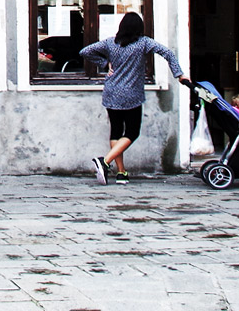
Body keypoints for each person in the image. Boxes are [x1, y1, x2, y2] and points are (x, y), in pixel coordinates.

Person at [80, 12, 192, 185]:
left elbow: (85, 51)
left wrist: (104, 64)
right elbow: (167, 53)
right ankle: (106, 161)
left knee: (116, 131)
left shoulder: (111, 43)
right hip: (131, 94)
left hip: (111, 91)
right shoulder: (143, 43)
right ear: (139, 28)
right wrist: (179, 74)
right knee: (132, 132)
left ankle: (121, 173)